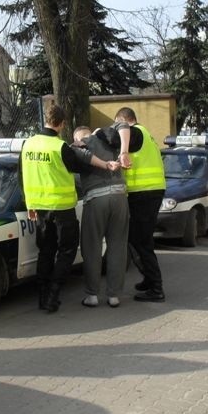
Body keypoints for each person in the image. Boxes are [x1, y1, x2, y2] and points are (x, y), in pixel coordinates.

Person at [19, 104, 120, 313]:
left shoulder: (27, 145)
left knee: (45, 252)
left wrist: (29, 204)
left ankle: (42, 297)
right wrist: (103, 162)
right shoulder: (60, 147)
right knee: (66, 251)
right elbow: (81, 165)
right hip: (62, 209)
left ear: (45, 120)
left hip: (39, 209)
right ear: (62, 123)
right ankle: (54, 294)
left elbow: (22, 176)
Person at [97, 107, 167, 302]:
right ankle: (149, 279)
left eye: (117, 124)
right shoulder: (144, 134)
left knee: (141, 242)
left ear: (123, 120)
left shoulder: (134, 132)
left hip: (144, 193)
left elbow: (118, 130)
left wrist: (96, 134)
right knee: (139, 240)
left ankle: (156, 288)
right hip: (149, 191)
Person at [72, 126, 129, 308]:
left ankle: (92, 295)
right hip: (120, 196)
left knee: (92, 247)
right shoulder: (110, 140)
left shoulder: (84, 144)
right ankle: (114, 296)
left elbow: (74, 151)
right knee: (118, 246)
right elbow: (123, 124)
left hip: (96, 199)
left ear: (80, 137)